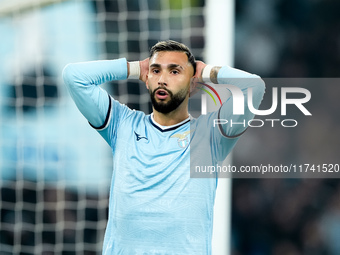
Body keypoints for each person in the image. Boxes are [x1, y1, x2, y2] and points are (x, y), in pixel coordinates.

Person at [62, 40, 265, 254]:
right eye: (156, 70)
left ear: (192, 84)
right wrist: (134, 68)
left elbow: (254, 87)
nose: (163, 79)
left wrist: (206, 72)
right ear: (147, 79)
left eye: (175, 71)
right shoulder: (121, 124)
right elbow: (74, 77)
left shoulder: (211, 135)